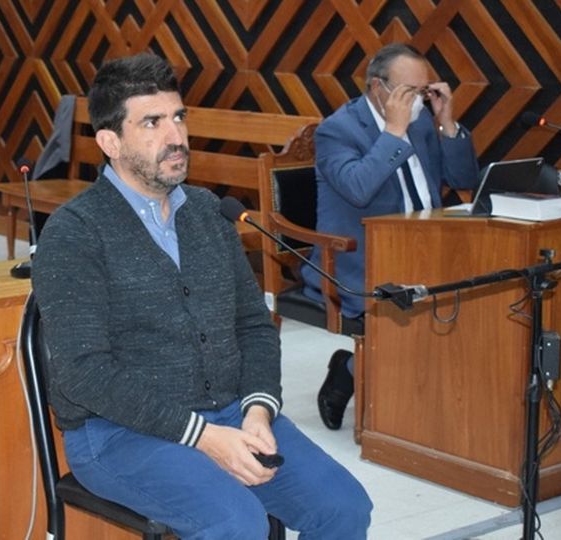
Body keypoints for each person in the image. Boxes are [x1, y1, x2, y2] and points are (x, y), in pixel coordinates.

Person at [31, 53, 372, 539]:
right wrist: (204, 437)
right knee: (237, 523)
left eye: (179, 117)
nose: (176, 136)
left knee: (344, 506)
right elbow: (84, 373)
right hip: (117, 432)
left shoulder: (208, 212)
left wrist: (258, 410)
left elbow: (253, 326)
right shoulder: (75, 232)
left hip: (229, 411)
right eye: (152, 123)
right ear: (110, 142)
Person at [304, 43, 480, 430]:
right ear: (377, 87)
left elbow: (465, 179)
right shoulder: (337, 130)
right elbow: (358, 188)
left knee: (481, 292)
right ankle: (352, 373)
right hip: (361, 257)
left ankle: (445, 401)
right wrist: (394, 132)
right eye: (408, 92)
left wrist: (448, 123)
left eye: (424, 91)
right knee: (418, 305)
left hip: (426, 245)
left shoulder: (423, 121)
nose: (418, 102)